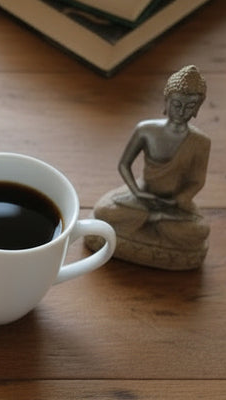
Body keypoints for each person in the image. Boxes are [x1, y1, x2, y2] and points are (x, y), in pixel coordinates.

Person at [88, 65, 211, 270]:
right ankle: (154, 223)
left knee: (198, 232)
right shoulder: (146, 130)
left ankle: (154, 221)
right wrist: (137, 192)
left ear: (197, 107)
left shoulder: (201, 142)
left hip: (174, 203)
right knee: (103, 211)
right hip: (141, 194)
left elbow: (197, 181)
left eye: (189, 106)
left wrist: (178, 200)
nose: (181, 111)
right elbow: (124, 164)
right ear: (166, 101)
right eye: (176, 104)